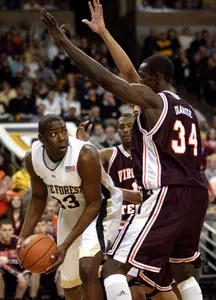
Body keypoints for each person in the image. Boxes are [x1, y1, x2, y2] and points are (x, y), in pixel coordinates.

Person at [41, 4, 208, 300]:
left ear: (155, 79)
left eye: (143, 79)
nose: (138, 82)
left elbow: (107, 79)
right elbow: (131, 72)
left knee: (114, 269)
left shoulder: (153, 101)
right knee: (182, 271)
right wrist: (104, 33)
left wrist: (64, 42)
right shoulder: (187, 109)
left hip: (167, 193)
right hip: (195, 196)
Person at [16, 114, 123, 300]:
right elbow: (38, 198)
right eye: (54, 133)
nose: (61, 137)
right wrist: (23, 236)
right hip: (69, 210)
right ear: (41, 139)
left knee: (88, 267)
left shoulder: (85, 154)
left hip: (102, 208)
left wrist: (65, 244)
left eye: (64, 131)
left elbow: (95, 203)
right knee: (70, 282)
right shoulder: (32, 158)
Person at [77, 115, 146, 300]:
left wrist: (112, 192)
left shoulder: (149, 155)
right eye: (121, 127)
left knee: (147, 285)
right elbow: (86, 162)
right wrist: (82, 145)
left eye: (129, 126)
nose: (125, 130)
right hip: (116, 226)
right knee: (109, 276)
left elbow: (143, 197)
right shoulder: (109, 154)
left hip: (142, 224)